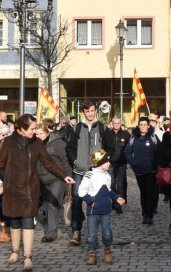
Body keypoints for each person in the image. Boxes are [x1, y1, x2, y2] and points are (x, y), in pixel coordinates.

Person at [0, 114, 74, 272]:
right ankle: (15, 252)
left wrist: (64, 175)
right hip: (12, 188)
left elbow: (48, 162)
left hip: (30, 188)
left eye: (36, 129)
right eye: (32, 129)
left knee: (28, 221)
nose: (35, 132)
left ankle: (28, 257)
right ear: (21, 129)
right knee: (14, 222)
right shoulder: (8, 143)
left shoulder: (37, 143)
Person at [66, 101, 105, 245]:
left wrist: (99, 162)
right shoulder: (76, 128)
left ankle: (92, 233)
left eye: (92, 110)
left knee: (94, 201)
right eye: (87, 111)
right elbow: (69, 148)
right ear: (83, 112)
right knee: (77, 199)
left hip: (95, 171)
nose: (90, 113)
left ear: (96, 111)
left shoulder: (101, 127)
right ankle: (76, 231)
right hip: (79, 170)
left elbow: (106, 147)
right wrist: (75, 161)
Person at [78, 148, 125, 265]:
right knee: (91, 234)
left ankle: (107, 249)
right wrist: (91, 201)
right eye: (107, 161)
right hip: (93, 210)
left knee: (107, 232)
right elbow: (81, 191)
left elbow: (108, 189)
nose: (109, 163)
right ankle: (92, 253)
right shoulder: (89, 175)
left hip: (105, 210)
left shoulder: (107, 175)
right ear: (100, 163)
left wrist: (116, 197)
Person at [36, 120, 72, 243]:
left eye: (40, 134)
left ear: (47, 132)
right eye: (36, 134)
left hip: (57, 179)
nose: (38, 136)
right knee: (47, 205)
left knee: (51, 203)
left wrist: (68, 178)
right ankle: (52, 225)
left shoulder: (57, 143)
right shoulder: (34, 145)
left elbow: (65, 161)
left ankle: (51, 233)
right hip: (42, 180)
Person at [125, 115, 161, 226]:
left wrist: (156, 164)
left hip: (151, 170)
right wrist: (133, 163)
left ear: (148, 126)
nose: (143, 127)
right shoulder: (133, 138)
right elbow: (127, 152)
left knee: (149, 192)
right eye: (141, 125)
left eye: (145, 125)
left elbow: (159, 152)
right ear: (138, 126)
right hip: (139, 171)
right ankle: (144, 214)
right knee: (143, 193)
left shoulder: (153, 137)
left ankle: (149, 215)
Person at [102, 117, 131, 207]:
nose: (116, 124)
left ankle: (119, 203)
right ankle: (114, 200)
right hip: (110, 162)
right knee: (111, 183)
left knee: (121, 184)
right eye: (115, 123)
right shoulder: (107, 134)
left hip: (122, 162)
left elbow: (129, 148)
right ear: (112, 123)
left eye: (118, 123)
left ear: (121, 123)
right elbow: (103, 148)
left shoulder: (126, 134)